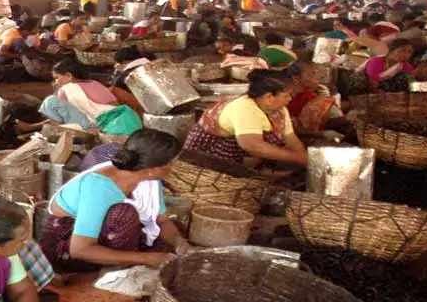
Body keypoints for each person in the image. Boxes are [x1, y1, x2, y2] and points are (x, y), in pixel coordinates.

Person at [38, 130, 186, 272]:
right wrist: (148, 258)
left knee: (176, 232)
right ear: (152, 169)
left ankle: (129, 259)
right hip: (67, 244)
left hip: (110, 234)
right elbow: (79, 249)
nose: (174, 167)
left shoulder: (149, 180)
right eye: (171, 163)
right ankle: (116, 269)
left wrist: (182, 246)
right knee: (123, 214)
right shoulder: (99, 187)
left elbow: (162, 221)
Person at [183, 70, 307, 167]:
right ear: (269, 97)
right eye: (286, 96)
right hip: (209, 157)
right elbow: (252, 145)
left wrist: (305, 158)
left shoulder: (279, 110)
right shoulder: (244, 108)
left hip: (240, 155)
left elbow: (292, 140)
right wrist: (297, 158)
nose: (290, 99)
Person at [35, 59, 142, 137]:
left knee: (50, 102)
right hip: (128, 120)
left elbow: (60, 115)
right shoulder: (95, 83)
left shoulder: (67, 89)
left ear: (69, 76)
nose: (56, 82)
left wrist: (57, 91)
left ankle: (56, 137)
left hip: (102, 127)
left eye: (57, 78)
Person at [286, 63, 345, 134]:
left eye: (317, 72)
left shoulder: (314, 95)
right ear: (296, 79)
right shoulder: (284, 97)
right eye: (312, 73)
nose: (319, 76)